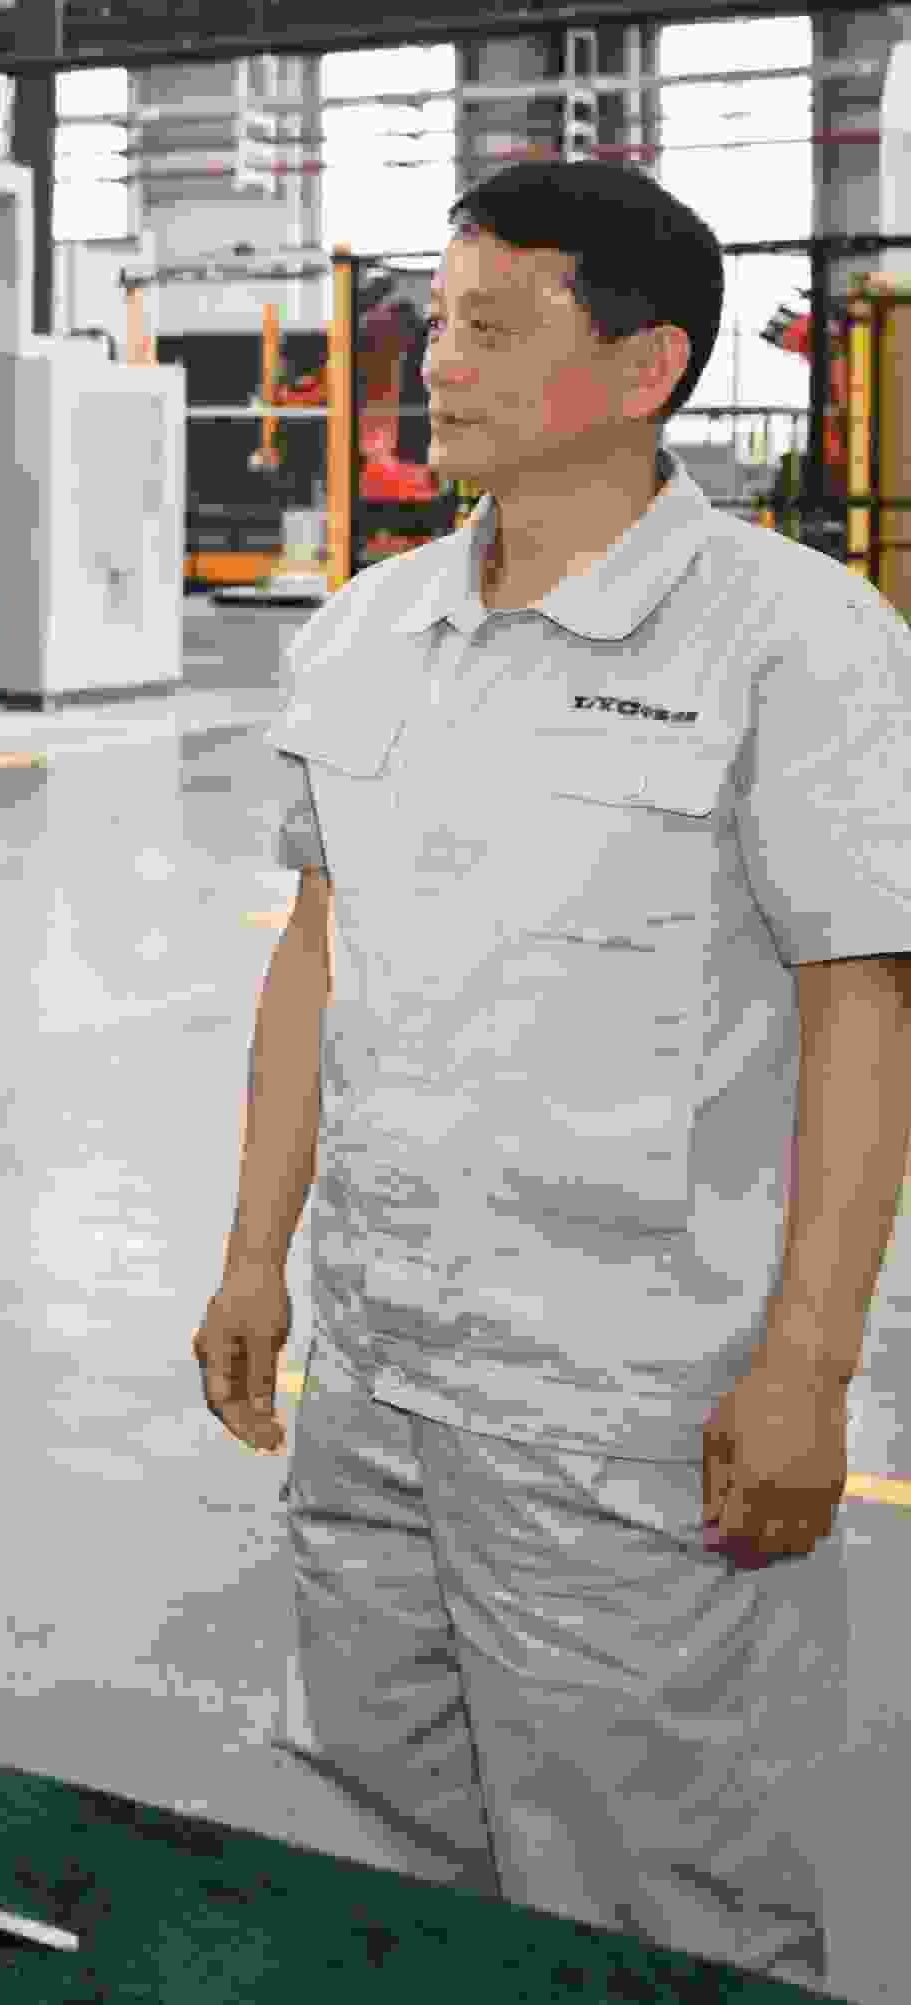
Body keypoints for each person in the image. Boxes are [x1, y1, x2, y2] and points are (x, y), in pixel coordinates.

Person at [193, 159, 911, 1986]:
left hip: (630, 1419)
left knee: (662, 1902)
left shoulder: (794, 643)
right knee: (387, 1855)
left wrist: (810, 1365)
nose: (439, 362)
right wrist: (257, 1256)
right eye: (439, 322)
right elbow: (317, 954)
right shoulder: (370, 630)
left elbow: (863, 1007)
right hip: (381, 1384)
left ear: (647, 366)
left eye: (494, 327)